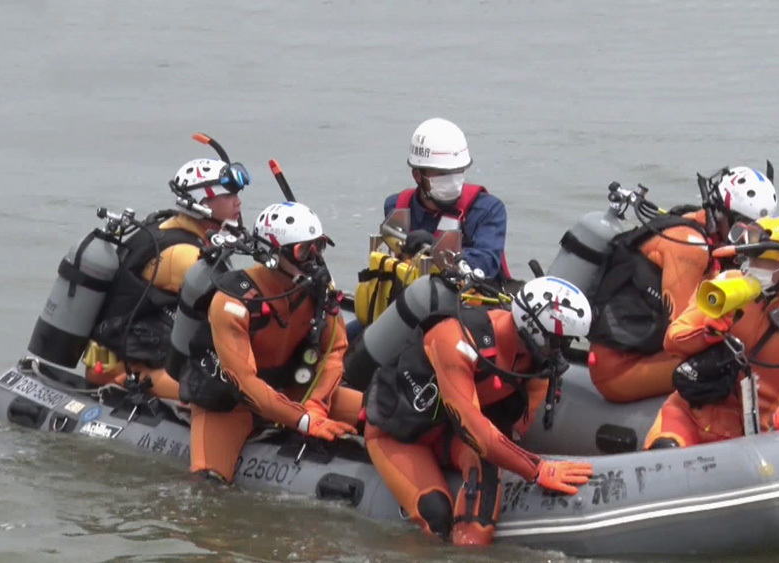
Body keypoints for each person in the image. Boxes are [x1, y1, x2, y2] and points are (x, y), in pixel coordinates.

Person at [364, 276, 594, 546]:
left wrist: (513, 446)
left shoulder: (535, 362)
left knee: (485, 486)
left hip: (448, 434)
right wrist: (538, 469)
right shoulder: (456, 338)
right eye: (558, 343)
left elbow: (514, 425)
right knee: (436, 514)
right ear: (533, 328)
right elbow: (477, 433)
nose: (560, 352)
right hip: (400, 434)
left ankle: (470, 550)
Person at [184, 201, 362, 483]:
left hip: (293, 390)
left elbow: (334, 350)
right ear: (271, 255)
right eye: (305, 250)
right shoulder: (232, 301)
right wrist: (303, 420)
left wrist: (316, 405)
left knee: (377, 413)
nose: (315, 259)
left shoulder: (315, 292)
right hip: (231, 404)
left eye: (319, 247)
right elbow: (244, 381)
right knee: (208, 484)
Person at [643, 216, 779, 449]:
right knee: (666, 450)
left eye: (762, 263)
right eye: (749, 259)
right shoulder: (725, 284)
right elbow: (673, 341)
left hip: (751, 433)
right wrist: (706, 332)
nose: (750, 268)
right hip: (687, 413)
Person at [589, 165, 778, 402]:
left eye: (755, 232)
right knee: (730, 361)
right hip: (619, 371)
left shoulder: (701, 231)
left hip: (644, 354)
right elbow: (679, 339)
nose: (747, 239)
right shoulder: (690, 247)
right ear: (720, 214)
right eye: (741, 227)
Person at [82, 157, 247, 400]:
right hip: (124, 367)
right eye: (229, 195)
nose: (238, 201)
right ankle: (127, 386)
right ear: (203, 201)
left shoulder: (172, 226)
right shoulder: (183, 256)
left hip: (145, 348)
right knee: (231, 397)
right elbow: (233, 303)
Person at [384, 117, 510, 283]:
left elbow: (486, 263)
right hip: (408, 300)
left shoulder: (487, 210)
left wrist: (437, 249)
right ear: (417, 175)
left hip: (467, 303)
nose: (452, 181)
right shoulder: (397, 207)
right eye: (442, 174)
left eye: (458, 171)